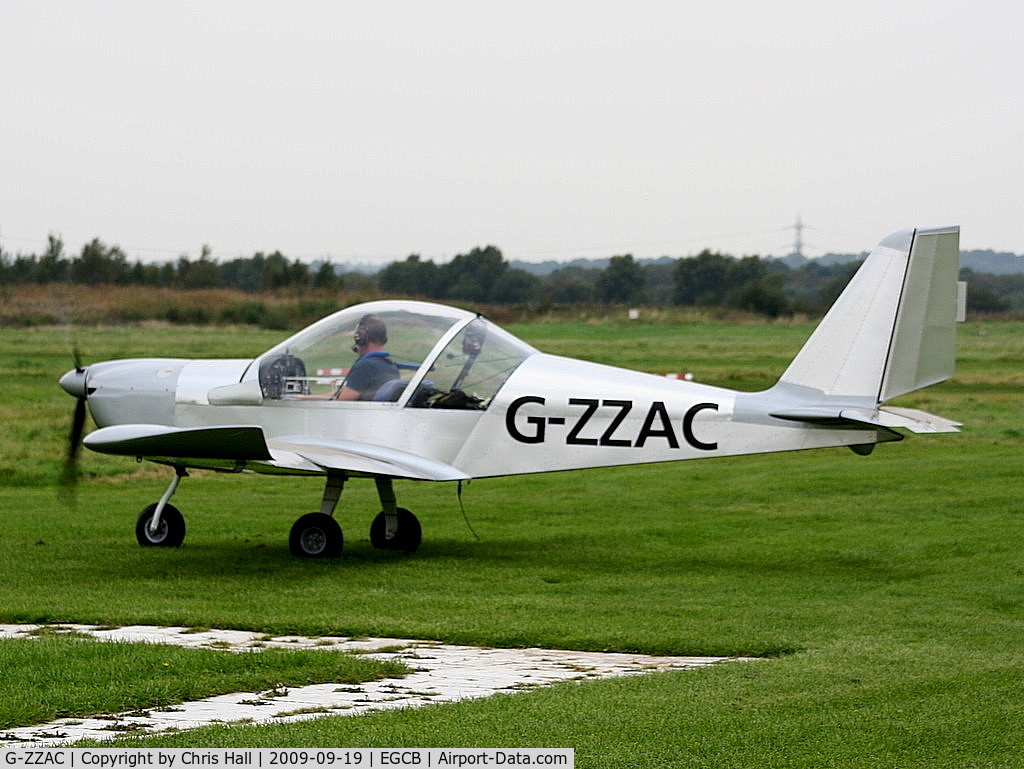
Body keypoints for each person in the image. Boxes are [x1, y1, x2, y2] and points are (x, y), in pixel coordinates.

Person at [334, 315, 400, 400]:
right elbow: (348, 392)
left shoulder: (365, 367)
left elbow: (341, 402)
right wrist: (313, 398)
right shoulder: (390, 366)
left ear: (361, 338)